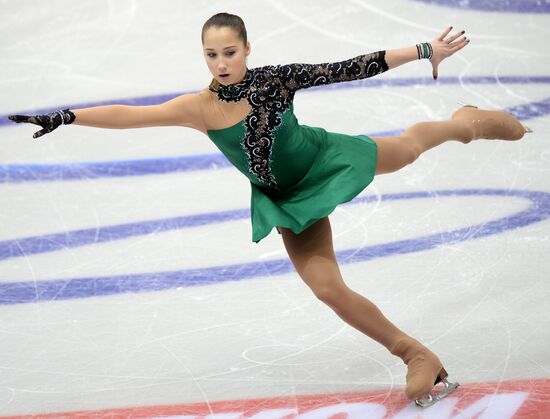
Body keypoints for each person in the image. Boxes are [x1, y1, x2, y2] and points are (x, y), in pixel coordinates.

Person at [8, 12, 531, 408]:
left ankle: (467, 123)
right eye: (211, 55)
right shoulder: (199, 107)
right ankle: (417, 355)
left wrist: (423, 49)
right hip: (285, 199)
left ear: (246, 49)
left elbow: (347, 68)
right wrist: (70, 116)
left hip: (325, 161)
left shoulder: (276, 82)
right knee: (327, 288)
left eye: (229, 52)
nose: (220, 63)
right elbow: (133, 114)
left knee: (410, 148)